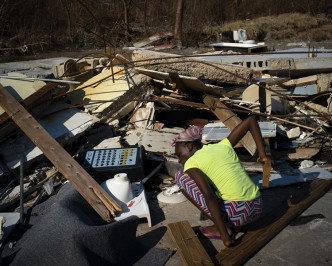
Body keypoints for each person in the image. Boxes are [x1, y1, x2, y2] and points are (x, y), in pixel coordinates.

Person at [171, 116, 270, 247]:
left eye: (179, 155)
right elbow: (251, 120)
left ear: (189, 146)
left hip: (238, 214)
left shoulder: (191, 163)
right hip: (257, 207)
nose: (179, 160)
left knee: (180, 177)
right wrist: (262, 154)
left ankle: (223, 229)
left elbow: (209, 196)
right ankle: (231, 223)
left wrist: (225, 237)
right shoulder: (223, 145)